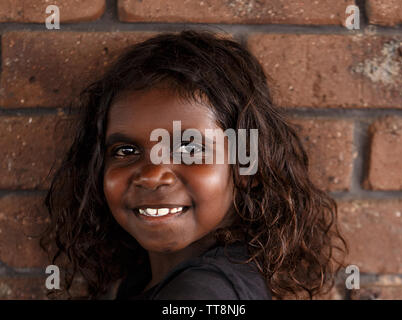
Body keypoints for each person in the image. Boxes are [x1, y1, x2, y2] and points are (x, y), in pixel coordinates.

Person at [40, 30, 347, 300]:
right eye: (127, 149)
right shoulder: (158, 277)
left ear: (245, 165)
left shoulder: (204, 291)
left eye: (188, 148)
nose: (151, 175)